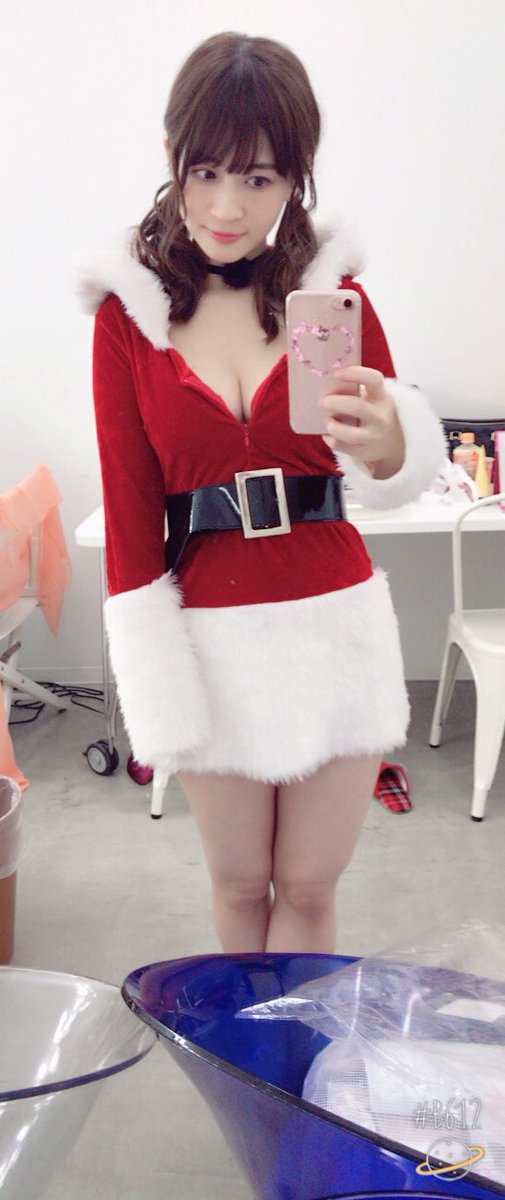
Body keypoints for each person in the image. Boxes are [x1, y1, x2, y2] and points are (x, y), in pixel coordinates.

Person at [79, 32, 446, 954]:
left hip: (334, 623)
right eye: (205, 172)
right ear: (172, 158)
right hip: (207, 639)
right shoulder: (130, 319)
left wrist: (389, 441)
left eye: (257, 178)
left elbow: (391, 468)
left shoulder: (330, 298)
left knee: (310, 889)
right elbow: (130, 513)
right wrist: (154, 686)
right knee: (240, 885)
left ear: (294, 179)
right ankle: (244, 1051)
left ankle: (296, 1049)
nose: (225, 206)